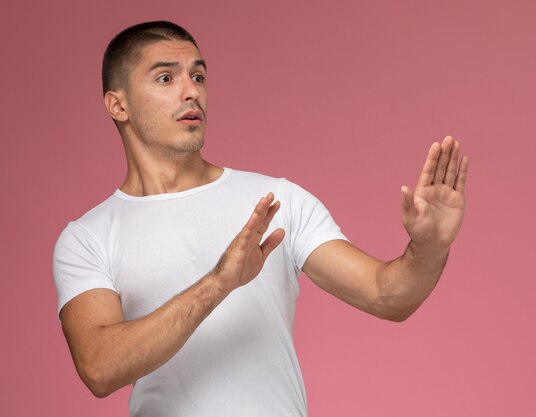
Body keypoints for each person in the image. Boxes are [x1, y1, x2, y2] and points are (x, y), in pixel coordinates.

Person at [53, 21, 469, 417]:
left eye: (198, 77)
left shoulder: (275, 200)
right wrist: (219, 282)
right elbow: (100, 368)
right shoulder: (88, 237)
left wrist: (429, 248)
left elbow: (387, 296)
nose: (191, 92)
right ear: (118, 104)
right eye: (166, 78)